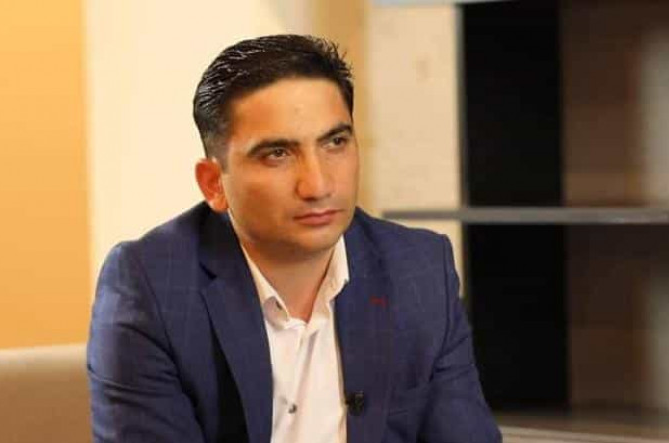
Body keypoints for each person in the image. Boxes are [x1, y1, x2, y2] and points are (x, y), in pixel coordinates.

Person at [87, 34, 500, 443]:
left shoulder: (419, 269)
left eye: (335, 143)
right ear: (213, 183)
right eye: (277, 154)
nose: (318, 185)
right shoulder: (150, 287)